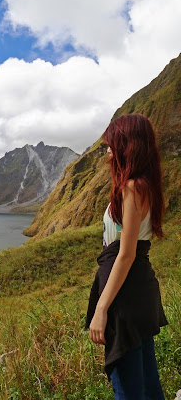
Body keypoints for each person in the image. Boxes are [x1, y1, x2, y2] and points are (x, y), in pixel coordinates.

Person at [86, 114, 167, 399]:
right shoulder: (146, 185)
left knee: (128, 389)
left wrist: (100, 308)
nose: (107, 151)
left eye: (112, 144)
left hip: (126, 296)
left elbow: (126, 254)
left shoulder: (131, 187)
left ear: (126, 146)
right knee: (147, 382)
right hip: (139, 291)